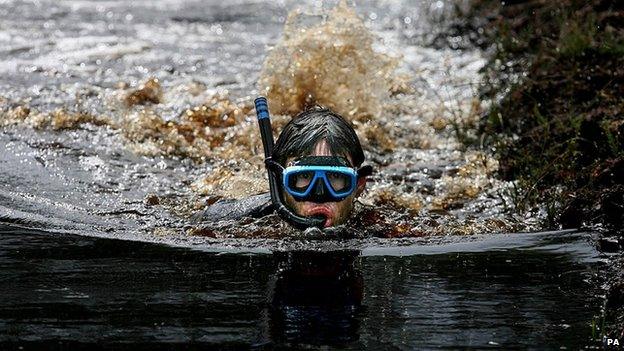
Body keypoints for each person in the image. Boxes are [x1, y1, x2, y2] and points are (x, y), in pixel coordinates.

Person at [192, 105, 372, 228]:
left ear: (358, 186)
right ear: (278, 181)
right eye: (304, 177)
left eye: (335, 177)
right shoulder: (235, 220)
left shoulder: (379, 225)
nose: (319, 194)